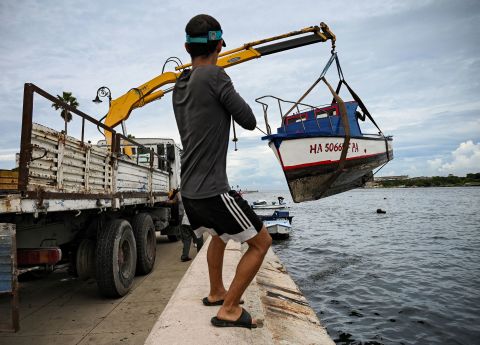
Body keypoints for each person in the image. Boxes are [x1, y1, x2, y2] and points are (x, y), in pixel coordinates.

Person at [172, 14, 272, 329]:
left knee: (219, 234)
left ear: (188, 47)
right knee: (261, 243)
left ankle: (217, 291)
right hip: (212, 189)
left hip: (189, 190)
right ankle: (228, 309)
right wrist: (224, 81)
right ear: (217, 45)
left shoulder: (180, 84)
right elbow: (248, 120)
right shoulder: (216, 76)